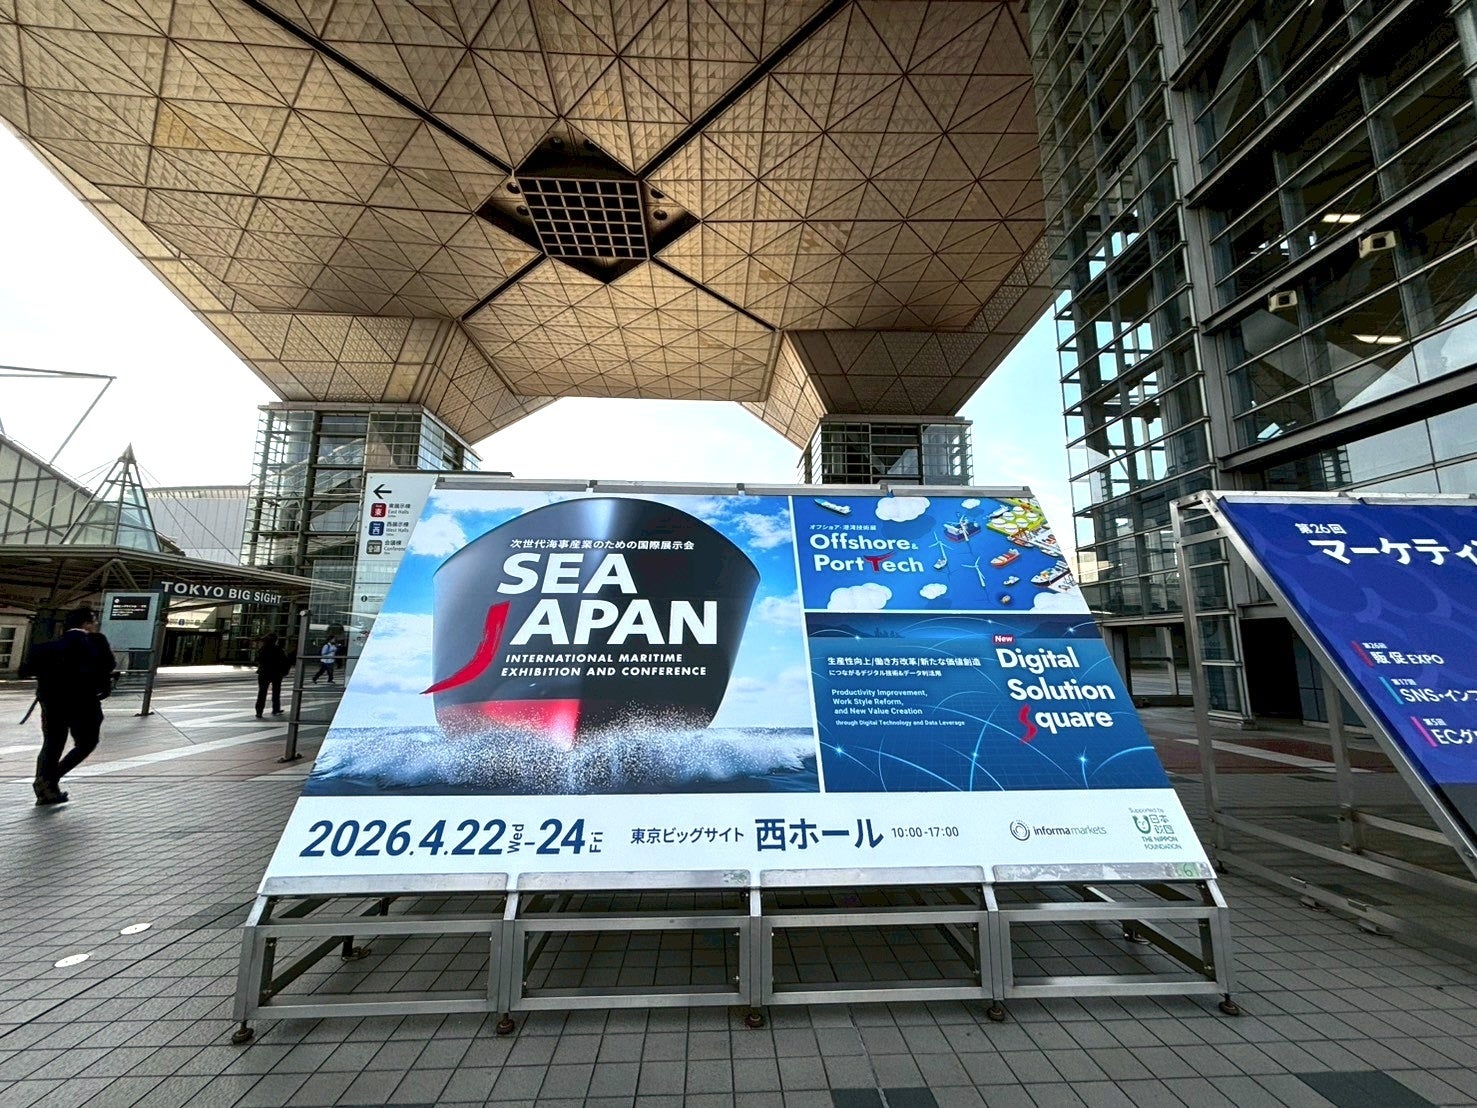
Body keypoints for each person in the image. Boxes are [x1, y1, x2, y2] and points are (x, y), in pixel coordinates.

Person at [20, 606, 116, 806]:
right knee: (86, 743)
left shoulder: (47, 645)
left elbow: (26, 670)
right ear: (87, 623)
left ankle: (46, 791)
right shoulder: (96, 641)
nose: (96, 625)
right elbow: (108, 665)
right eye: (94, 621)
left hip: (51, 702)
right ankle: (50, 779)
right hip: (83, 702)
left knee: (52, 744)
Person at [254, 632, 289, 718]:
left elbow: (257, 660)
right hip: (276, 673)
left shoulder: (263, 649)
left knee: (262, 692)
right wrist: (284, 671)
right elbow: (285, 661)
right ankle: (276, 709)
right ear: (276, 640)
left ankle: (259, 711)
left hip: (263, 673)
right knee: (276, 692)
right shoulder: (278, 649)